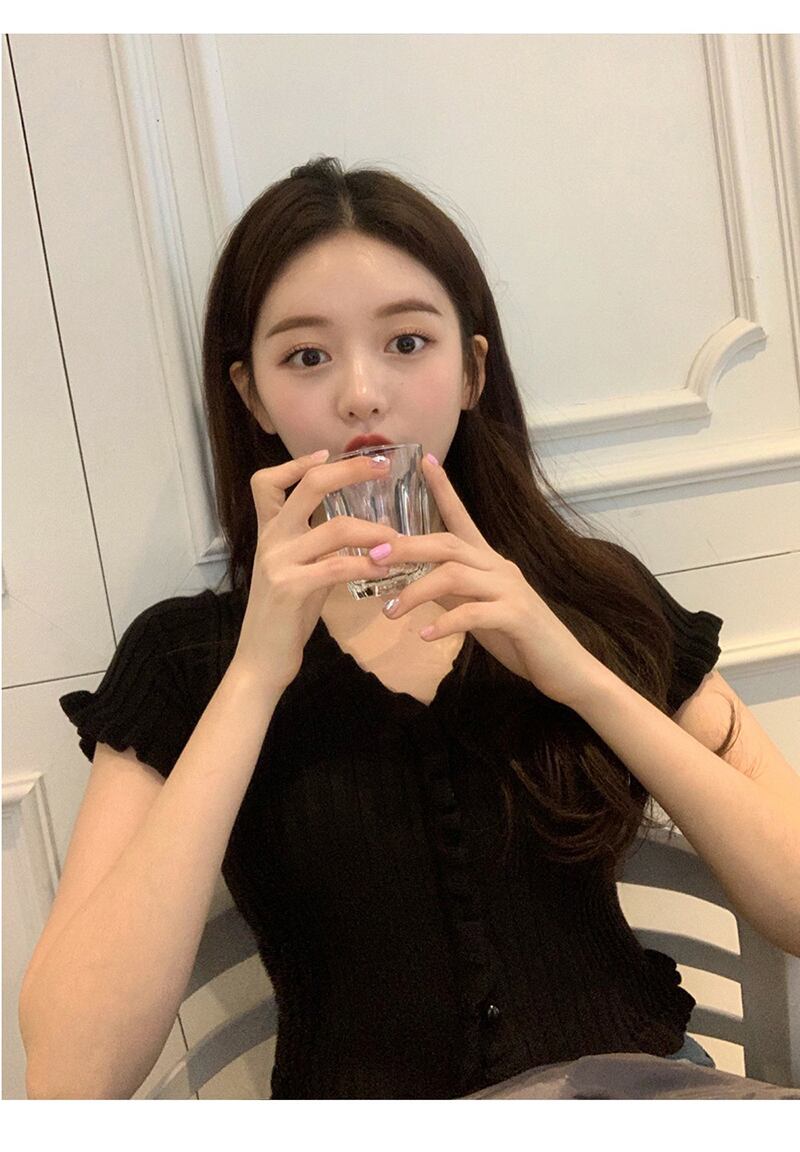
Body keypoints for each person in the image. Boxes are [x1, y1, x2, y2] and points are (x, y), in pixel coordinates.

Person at [21, 156, 731, 1099]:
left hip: (637, 1099)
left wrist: (578, 674)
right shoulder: (187, 658)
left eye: (406, 341)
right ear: (251, 395)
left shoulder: (584, 595)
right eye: (306, 356)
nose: (361, 393)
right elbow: (71, 1079)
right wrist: (254, 676)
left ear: (472, 370)